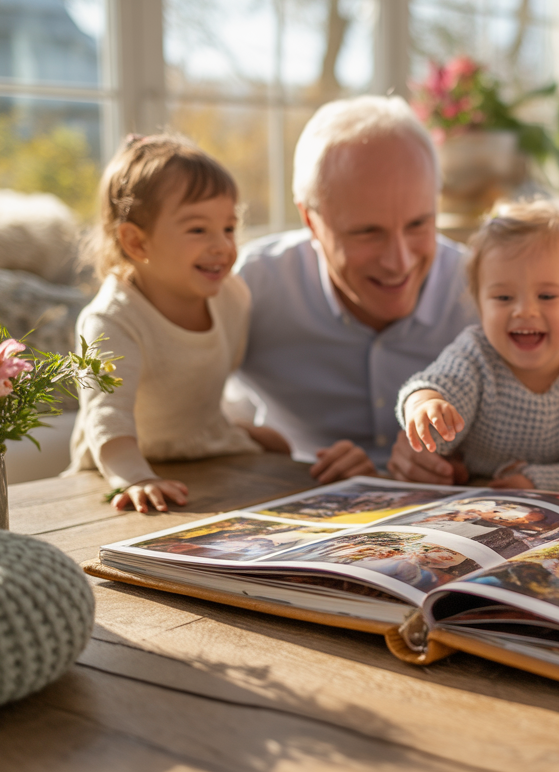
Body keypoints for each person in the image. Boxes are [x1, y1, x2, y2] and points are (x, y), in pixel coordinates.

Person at [233, 95, 477, 483]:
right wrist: (269, 446)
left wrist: (466, 460)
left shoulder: (483, 290)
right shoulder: (254, 285)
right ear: (311, 220)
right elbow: (173, 407)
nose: (399, 262)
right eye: (367, 232)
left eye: (418, 224)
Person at [67, 134, 286, 513]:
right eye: (198, 230)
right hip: (119, 467)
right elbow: (107, 418)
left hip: (201, 454)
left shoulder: (233, 298)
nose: (222, 245)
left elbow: (199, 390)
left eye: (229, 228)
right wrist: (135, 478)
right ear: (137, 243)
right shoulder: (111, 320)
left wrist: (231, 431)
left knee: (282, 449)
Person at [397, 200, 559, 494]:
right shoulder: (475, 354)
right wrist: (423, 404)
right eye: (503, 298)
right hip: (471, 498)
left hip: (555, 508)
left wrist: (533, 481)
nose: (524, 311)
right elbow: (438, 386)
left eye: (546, 296)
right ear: (481, 308)